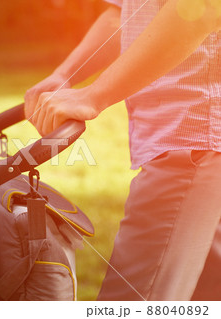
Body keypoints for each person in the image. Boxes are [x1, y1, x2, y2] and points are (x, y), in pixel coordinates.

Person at [24, 0, 221, 300]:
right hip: (187, 138)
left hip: (192, 137)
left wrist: (94, 95)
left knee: (131, 300)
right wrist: (64, 75)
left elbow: (202, 7)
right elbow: (126, 13)